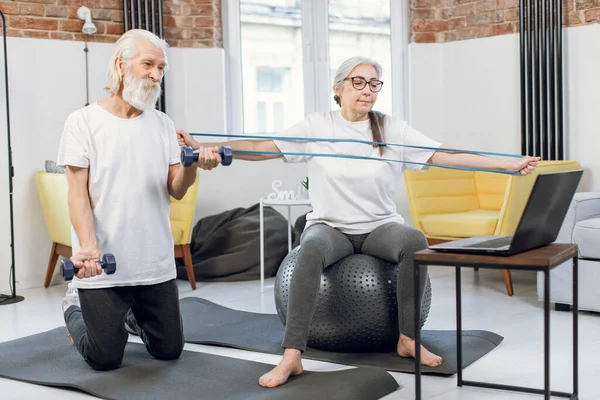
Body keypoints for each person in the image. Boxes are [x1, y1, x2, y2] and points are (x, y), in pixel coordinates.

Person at [178, 56, 540, 388]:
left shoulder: (391, 129)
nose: (367, 90)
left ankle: (408, 339)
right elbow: (261, 149)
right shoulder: (316, 126)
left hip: (379, 227)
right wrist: (202, 147)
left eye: (374, 83)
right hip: (330, 226)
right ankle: (292, 356)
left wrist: (507, 166)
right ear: (339, 88)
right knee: (309, 249)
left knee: (414, 240)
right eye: (358, 82)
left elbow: (447, 155)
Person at [56, 29, 221, 371]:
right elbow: (76, 193)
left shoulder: (162, 124)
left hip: (153, 264)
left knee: (169, 350)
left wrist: (193, 164)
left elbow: (176, 187)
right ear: (120, 65)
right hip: (103, 263)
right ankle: (72, 306)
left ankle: (131, 316)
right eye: (148, 64)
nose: (155, 75)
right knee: (104, 358)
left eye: (161, 68)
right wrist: (87, 248)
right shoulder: (82, 122)